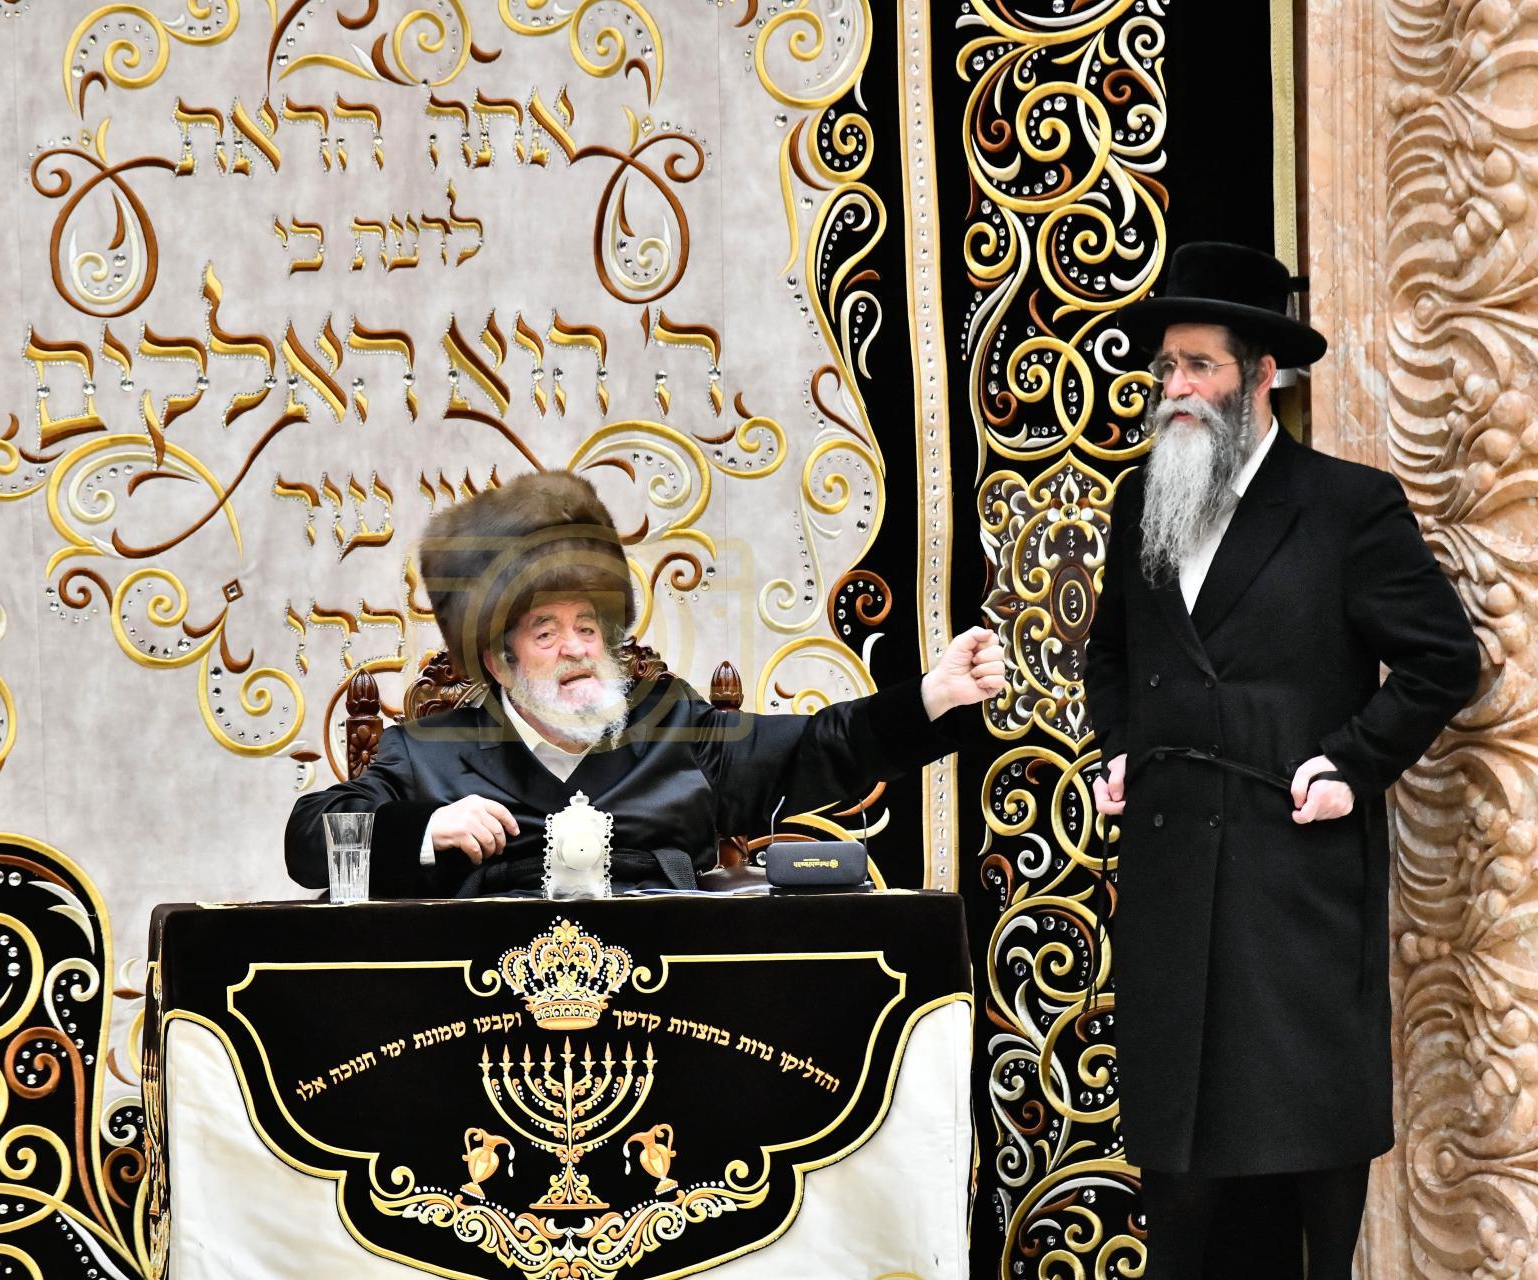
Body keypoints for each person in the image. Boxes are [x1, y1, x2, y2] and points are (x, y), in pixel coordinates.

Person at [1083, 242, 1478, 1277]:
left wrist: (1352, 763)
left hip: (1291, 880)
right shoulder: (1142, 499)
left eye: (1200, 366)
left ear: (1263, 375)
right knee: (1180, 1178)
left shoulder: (1348, 505)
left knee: (1306, 1162)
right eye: (1167, 367)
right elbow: (1112, 653)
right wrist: (1118, 748)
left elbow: (1444, 657)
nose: (1176, 387)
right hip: (1173, 875)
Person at [286, 470, 1005, 897]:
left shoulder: (673, 725)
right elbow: (308, 841)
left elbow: (818, 747)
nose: (576, 649)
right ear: (501, 662)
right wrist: (424, 828)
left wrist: (933, 696)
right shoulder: (428, 752)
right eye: (546, 633)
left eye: (588, 627)